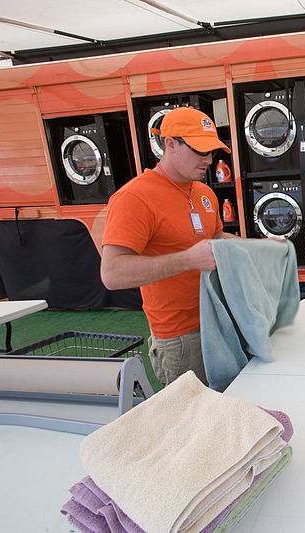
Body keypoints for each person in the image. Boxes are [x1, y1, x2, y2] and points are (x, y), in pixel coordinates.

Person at [100, 106, 236, 385]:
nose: (209, 160)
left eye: (212, 151)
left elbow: (215, 238)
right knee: (191, 421)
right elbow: (112, 274)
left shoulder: (204, 192)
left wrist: (259, 247)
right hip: (180, 339)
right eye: (200, 151)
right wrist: (187, 260)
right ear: (170, 144)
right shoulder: (134, 198)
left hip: (220, 323)